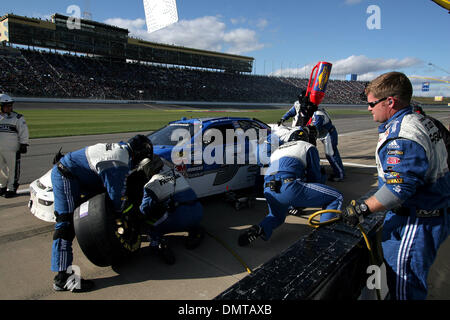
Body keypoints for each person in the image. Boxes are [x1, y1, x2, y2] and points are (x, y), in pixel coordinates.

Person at [342, 71, 449, 300]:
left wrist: (361, 209)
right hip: (429, 216)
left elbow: (398, 189)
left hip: (414, 221)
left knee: (404, 289)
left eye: (372, 104)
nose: (369, 108)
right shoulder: (424, 121)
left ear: (390, 102)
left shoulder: (403, 135)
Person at [50, 134, 153, 292]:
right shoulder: (117, 163)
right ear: (139, 155)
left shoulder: (123, 149)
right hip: (67, 177)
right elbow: (117, 200)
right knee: (66, 225)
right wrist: (130, 216)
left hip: (80, 175)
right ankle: (63, 278)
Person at [238, 128, 343, 246]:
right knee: (336, 197)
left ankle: (260, 228)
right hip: (288, 186)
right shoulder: (307, 146)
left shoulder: (277, 150)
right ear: (306, 138)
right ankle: (324, 236)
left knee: (276, 216)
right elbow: (315, 176)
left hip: (268, 188)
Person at [139, 155, 204, 265]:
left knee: (152, 228)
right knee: (184, 213)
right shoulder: (176, 173)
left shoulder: (150, 185)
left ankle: (158, 245)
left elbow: (144, 210)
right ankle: (195, 231)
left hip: (179, 217)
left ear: (147, 169)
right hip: (198, 211)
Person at [0, 94, 29, 198]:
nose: (10, 107)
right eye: (7, 105)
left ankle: (11, 188)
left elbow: (23, 131)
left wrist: (24, 144)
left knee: (12, 170)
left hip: (12, 149)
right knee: (1, 169)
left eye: (10, 105)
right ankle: (2, 186)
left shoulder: (17, 117)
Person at [307, 105, 345, 182]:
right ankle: (339, 172)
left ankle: (339, 175)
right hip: (329, 133)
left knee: (330, 155)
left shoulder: (318, 114)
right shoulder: (319, 111)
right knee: (334, 154)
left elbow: (316, 128)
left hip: (328, 135)